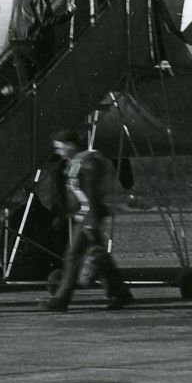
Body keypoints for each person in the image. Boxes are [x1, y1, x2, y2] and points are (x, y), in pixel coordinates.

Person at [42, 129, 134, 312]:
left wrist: (90, 221)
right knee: (100, 257)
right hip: (84, 216)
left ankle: (62, 299)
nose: (58, 151)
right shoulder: (76, 162)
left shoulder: (87, 162)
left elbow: (91, 194)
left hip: (88, 216)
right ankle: (121, 293)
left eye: (60, 147)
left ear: (69, 145)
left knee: (73, 255)